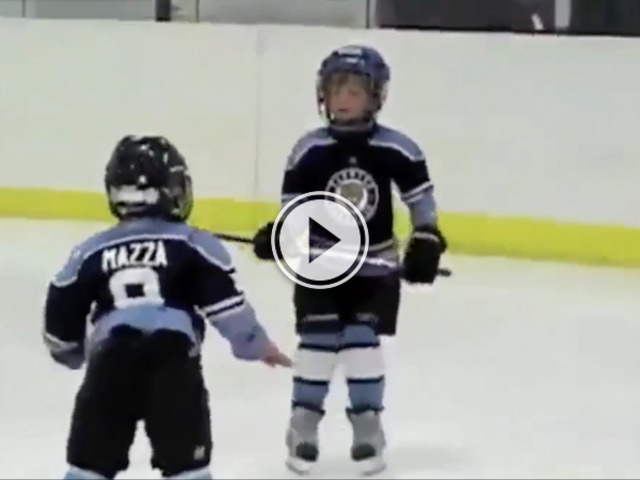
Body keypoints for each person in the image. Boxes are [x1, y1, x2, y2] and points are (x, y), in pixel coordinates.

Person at [43, 135, 291, 480]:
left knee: (89, 466)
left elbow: (61, 302)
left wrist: (69, 352)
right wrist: (256, 345)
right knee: (187, 466)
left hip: (111, 361)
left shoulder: (91, 251)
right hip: (173, 361)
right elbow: (226, 306)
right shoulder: (193, 243)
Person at [251, 45, 447, 474]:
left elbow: (421, 205)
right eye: (336, 89)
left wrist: (426, 240)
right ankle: (303, 423)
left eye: (354, 91)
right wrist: (279, 236)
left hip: (375, 269)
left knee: (362, 344)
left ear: (375, 96)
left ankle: (367, 423)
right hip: (320, 267)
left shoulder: (398, 149)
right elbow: (294, 211)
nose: (343, 99)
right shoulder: (309, 150)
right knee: (317, 343)